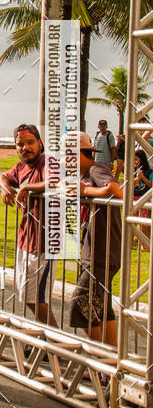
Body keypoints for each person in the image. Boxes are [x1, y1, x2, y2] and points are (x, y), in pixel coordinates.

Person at [0, 124, 57, 325]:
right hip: (26, 240)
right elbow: (3, 176)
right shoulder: (20, 167)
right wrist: (6, 188)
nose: (25, 148)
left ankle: (56, 344)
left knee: (37, 298)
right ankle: (45, 342)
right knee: (26, 295)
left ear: (40, 143)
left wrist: (27, 187)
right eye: (20, 144)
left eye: (30, 143)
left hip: (46, 243)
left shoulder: (48, 162)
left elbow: (55, 182)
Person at [69, 132, 122, 345]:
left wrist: (87, 190)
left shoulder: (95, 169)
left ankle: (103, 364)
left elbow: (116, 190)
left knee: (80, 306)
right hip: (96, 252)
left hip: (102, 252)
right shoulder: (84, 174)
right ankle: (110, 363)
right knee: (102, 309)